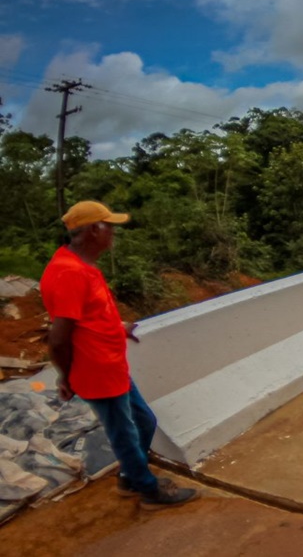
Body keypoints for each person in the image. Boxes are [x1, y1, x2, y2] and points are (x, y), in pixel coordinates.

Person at [41, 200, 197, 510]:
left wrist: (116, 326)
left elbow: (88, 315)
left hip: (112, 366)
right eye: (109, 226)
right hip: (96, 371)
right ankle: (149, 490)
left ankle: (129, 475)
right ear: (95, 229)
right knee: (124, 433)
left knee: (143, 421)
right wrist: (67, 376)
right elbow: (58, 339)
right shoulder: (69, 273)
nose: (113, 233)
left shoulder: (83, 267)